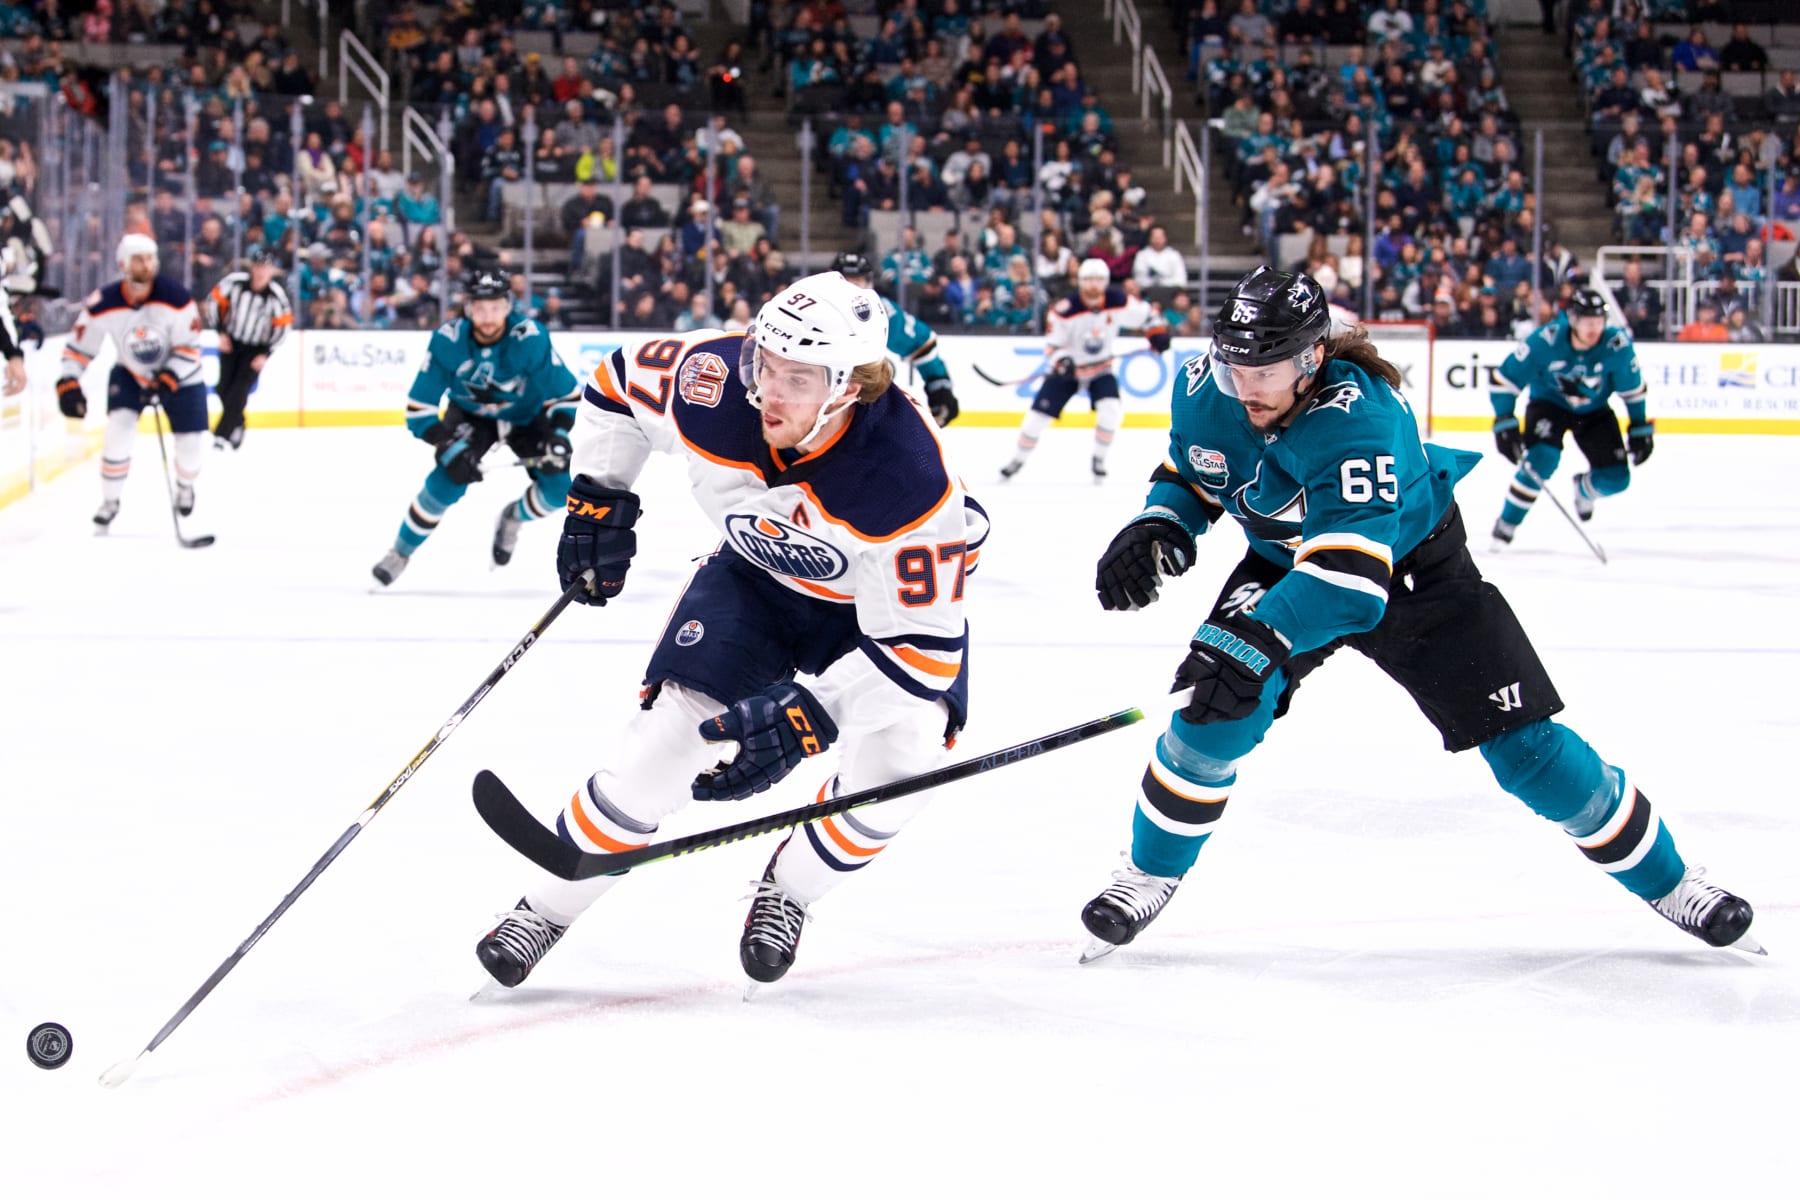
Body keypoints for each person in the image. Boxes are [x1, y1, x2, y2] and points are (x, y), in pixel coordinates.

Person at [1077, 266, 1759, 962]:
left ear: (1311, 359)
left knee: (1526, 750)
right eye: (1235, 368)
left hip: (1412, 569)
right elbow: (1199, 470)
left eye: (1266, 370)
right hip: (1286, 563)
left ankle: (1674, 882)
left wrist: (1254, 639)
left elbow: (1350, 585)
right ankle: (1150, 871)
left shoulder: (1359, 418)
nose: (1245, 387)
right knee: (1211, 714)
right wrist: (1162, 522)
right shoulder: (1206, 386)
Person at [473, 272, 989, 989]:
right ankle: (547, 906)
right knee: (668, 747)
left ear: (848, 386)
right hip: (755, 583)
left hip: (876, 623)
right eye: (765, 364)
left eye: (797, 379)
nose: (767, 392)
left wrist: (812, 718)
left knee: (901, 770)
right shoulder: (713, 380)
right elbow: (617, 384)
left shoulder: (908, 483)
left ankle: (789, 892)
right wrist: (598, 497)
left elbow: (923, 652)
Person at [369, 269, 580, 585]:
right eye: (480, 308)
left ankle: (512, 518)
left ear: (508, 306)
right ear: (468, 308)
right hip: (471, 416)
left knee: (560, 488)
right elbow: (418, 412)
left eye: (496, 307)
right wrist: (448, 446)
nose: (488, 317)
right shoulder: (448, 340)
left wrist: (559, 434)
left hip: (528, 416)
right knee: (444, 482)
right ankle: (399, 553)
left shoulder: (530, 338)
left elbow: (566, 395)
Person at [55, 234, 207, 528]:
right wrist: (68, 382)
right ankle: (110, 500)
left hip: (181, 376)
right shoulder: (103, 301)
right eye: (139, 259)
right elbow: (79, 347)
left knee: (191, 447)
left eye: (150, 258)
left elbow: (190, 347)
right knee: (117, 433)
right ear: (123, 263)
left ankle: (186, 486)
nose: (146, 264)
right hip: (131, 372)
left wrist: (167, 377)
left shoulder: (175, 297)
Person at [1488, 288, 1652, 546]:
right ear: (1573, 319)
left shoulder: (1616, 345)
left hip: (1594, 412)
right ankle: (1507, 523)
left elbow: (1632, 391)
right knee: (1541, 460)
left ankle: (1584, 490)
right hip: (1549, 405)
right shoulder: (1546, 340)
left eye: (1599, 322)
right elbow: (1504, 381)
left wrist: (1640, 427)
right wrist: (1504, 421)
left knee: (1617, 478)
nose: (1594, 328)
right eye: (1588, 322)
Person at [999, 258, 1170, 483]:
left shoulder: (1117, 300)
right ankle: (1017, 460)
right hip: (1069, 371)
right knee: (1036, 418)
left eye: (1098, 280)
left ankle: (1098, 459)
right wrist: (1063, 361)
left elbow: (1148, 314)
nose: (1093, 286)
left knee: (1110, 410)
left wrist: (1156, 333)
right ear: (1080, 282)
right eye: (1088, 280)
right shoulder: (1065, 310)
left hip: (1100, 369)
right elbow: (1052, 346)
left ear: (1105, 282)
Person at [830, 251, 960, 426]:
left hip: (855, 408)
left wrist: (939, 387)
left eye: (857, 282)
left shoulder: (880, 312)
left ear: (869, 284)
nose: (851, 288)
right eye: (845, 281)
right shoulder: (808, 311)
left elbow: (921, 342)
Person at [203, 244, 293, 451]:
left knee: (239, 390)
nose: (261, 271)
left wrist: (266, 353)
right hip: (231, 342)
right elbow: (212, 302)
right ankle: (238, 423)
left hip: (255, 349)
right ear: (252, 267)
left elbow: (284, 327)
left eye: (266, 267)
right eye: (259, 266)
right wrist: (220, 332)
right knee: (222, 387)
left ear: (272, 271)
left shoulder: (276, 296)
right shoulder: (234, 284)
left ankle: (222, 435)